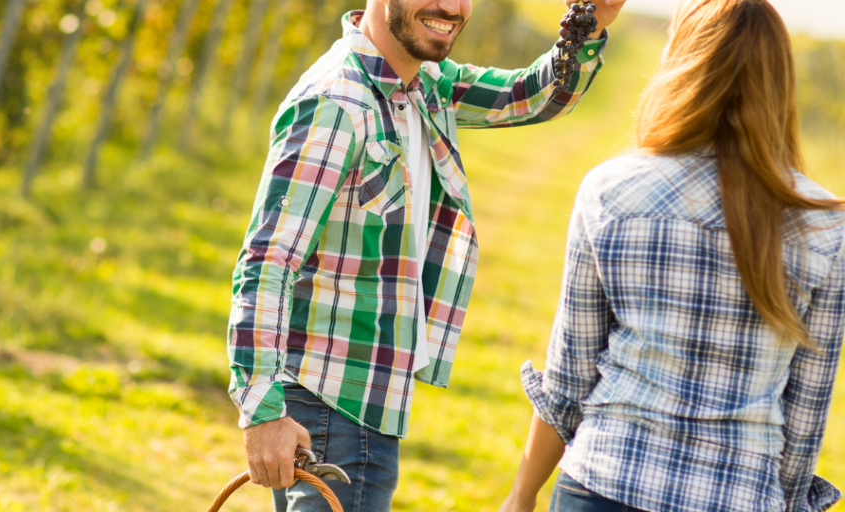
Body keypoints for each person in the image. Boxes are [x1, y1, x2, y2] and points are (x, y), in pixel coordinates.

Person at [226, 0, 625, 510]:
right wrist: (261, 410)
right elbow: (268, 260)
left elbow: (531, 96)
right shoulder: (337, 102)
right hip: (332, 406)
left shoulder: (426, 85)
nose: (453, 7)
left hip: (366, 400)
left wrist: (587, 25)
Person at [499, 0, 845, 511]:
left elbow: (569, 378)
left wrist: (522, 495)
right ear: (781, 81)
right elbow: (804, 420)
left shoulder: (611, 190)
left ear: (682, 62)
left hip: (603, 484)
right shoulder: (825, 226)